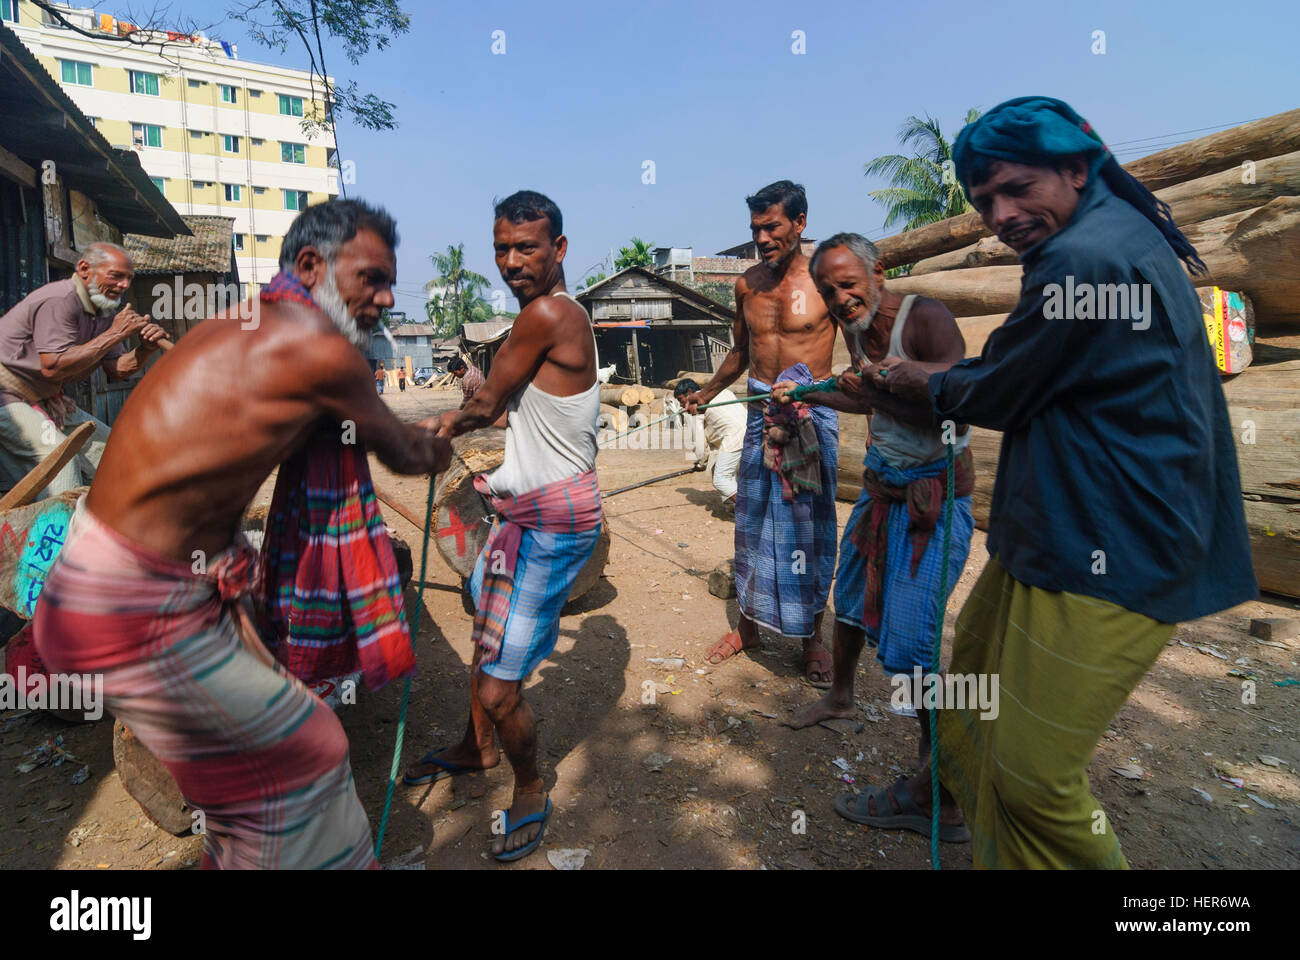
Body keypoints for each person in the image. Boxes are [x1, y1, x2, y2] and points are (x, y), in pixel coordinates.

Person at [853, 97, 1256, 868]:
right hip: (1055, 530)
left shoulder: (1089, 258)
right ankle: (948, 806)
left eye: (1014, 189)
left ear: (1075, 168)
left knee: (1034, 779)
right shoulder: (1104, 237)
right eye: (982, 203)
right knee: (967, 692)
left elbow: (1003, 387)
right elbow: (1030, 369)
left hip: (1108, 542)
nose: (1000, 214)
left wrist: (913, 384)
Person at [34, 199, 452, 870]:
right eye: (371, 277)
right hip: (128, 608)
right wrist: (442, 441)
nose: (386, 295)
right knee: (311, 752)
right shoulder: (317, 344)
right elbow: (404, 451)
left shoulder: (237, 324)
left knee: (240, 802)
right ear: (312, 265)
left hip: (106, 589)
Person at [403, 190, 602, 864]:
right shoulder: (539, 318)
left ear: (559, 250)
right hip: (523, 513)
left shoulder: (549, 313)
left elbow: (485, 404)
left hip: (552, 521)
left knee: (498, 684)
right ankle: (475, 746)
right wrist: (472, 401)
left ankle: (531, 784)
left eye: (527, 247)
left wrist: (415, 433)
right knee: (486, 630)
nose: (512, 261)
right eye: (502, 248)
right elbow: (497, 405)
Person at [780, 233, 974, 844]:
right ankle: (841, 695)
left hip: (930, 503)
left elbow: (960, 401)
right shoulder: (857, 330)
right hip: (882, 489)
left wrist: (898, 383)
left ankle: (937, 787)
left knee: (914, 643)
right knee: (853, 603)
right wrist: (808, 393)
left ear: (878, 272)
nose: (840, 298)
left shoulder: (927, 319)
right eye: (829, 290)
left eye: (848, 283)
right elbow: (862, 397)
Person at [681, 181, 839, 687]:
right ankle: (749, 626)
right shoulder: (747, 284)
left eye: (772, 226)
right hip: (758, 418)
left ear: (800, 222)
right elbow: (739, 352)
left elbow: (861, 361)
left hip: (809, 421)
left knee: (808, 530)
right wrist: (706, 394)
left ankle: (813, 638)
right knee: (751, 524)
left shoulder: (827, 282)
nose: (762, 237)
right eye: (755, 228)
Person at [0, 242, 167, 498]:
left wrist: (144, 349)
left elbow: (117, 369)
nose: (124, 285)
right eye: (116, 276)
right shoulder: (61, 300)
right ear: (85, 269)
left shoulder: (104, 310)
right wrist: (115, 333)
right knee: (59, 459)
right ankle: (63, 536)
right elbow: (53, 366)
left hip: (43, 399)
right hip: (7, 398)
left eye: (128, 278)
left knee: (117, 453)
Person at [669, 378, 746, 503]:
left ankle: (750, 511)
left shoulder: (694, 405)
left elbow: (699, 441)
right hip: (752, 434)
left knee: (720, 480)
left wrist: (702, 462)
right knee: (728, 471)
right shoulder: (723, 391)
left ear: (689, 392)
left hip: (733, 438)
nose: (682, 405)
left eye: (680, 400)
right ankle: (732, 506)